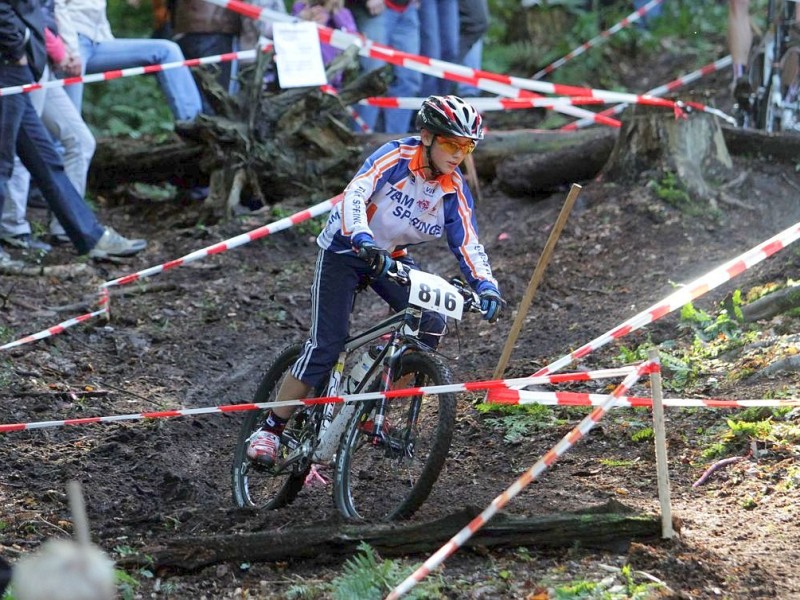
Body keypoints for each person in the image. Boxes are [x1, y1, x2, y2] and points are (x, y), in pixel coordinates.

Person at [246, 95, 504, 465]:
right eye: (451, 143)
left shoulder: (453, 187)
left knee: (430, 322)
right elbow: (356, 193)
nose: (458, 153)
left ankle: (368, 404)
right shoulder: (395, 157)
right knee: (327, 344)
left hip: (391, 256)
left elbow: (466, 239)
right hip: (345, 249)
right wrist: (361, 237)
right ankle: (270, 429)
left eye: (467, 146)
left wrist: (485, 284)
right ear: (428, 137)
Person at [0, 0, 147, 266]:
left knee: (46, 158)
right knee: (3, 161)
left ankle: (90, 236)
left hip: (24, 65)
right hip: (9, 64)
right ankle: (12, 232)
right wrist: (15, 48)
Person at [1, 0, 94, 252]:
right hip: (20, 62)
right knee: (12, 153)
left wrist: (62, 50)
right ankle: (13, 227)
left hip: (39, 63)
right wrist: (19, 53)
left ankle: (76, 230)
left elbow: (48, 13)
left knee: (77, 140)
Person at [54, 0, 203, 121]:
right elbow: (55, 6)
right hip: (71, 44)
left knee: (167, 51)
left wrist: (108, 42)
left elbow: (97, 17)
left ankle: (195, 124)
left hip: (97, 43)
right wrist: (72, 50)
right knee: (70, 129)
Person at [292, 0, 358, 90]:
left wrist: (336, 14)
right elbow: (290, 29)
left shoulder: (343, 13)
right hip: (304, 69)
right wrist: (304, 18)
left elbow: (353, 39)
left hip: (334, 76)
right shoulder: (301, 7)